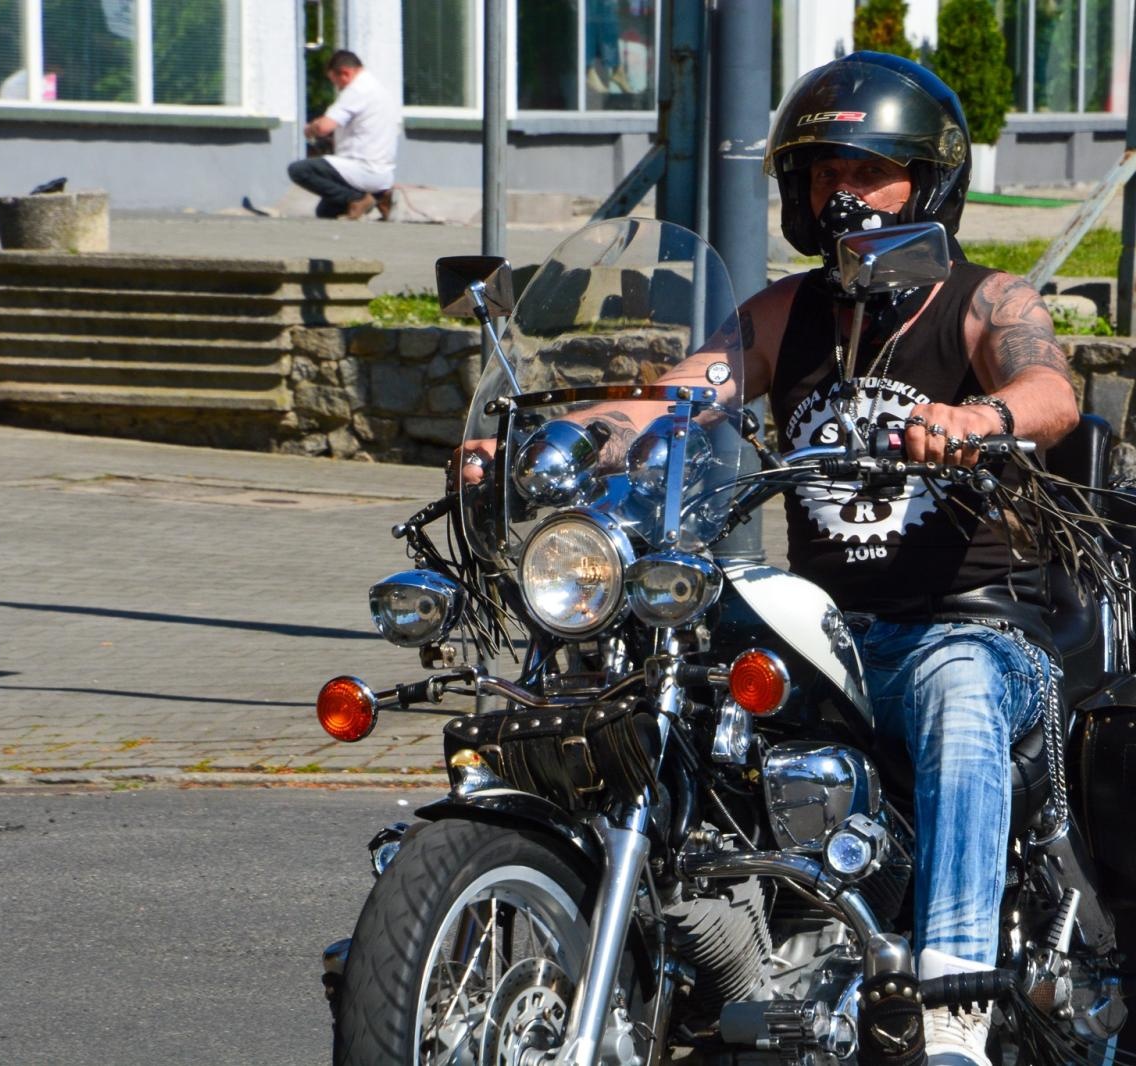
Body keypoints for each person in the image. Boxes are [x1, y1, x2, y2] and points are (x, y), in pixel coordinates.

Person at [456, 51, 1077, 1066]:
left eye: (868, 171)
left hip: (968, 622)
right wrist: (549, 441)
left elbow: (1050, 392)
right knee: (664, 653)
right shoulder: (787, 314)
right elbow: (675, 397)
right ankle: (690, 944)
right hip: (826, 629)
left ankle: (954, 1010)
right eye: (825, 173)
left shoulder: (983, 299)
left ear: (926, 183)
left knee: (959, 692)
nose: (843, 194)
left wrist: (979, 418)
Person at [288, 50, 398, 221]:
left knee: (298, 170)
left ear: (345, 74)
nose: (338, 88)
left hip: (362, 168)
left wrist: (311, 127)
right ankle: (379, 197)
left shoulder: (356, 90)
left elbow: (324, 127)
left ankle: (358, 199)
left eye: (335, 82)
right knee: (325, 211)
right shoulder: (379, 89)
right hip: (383, 173)